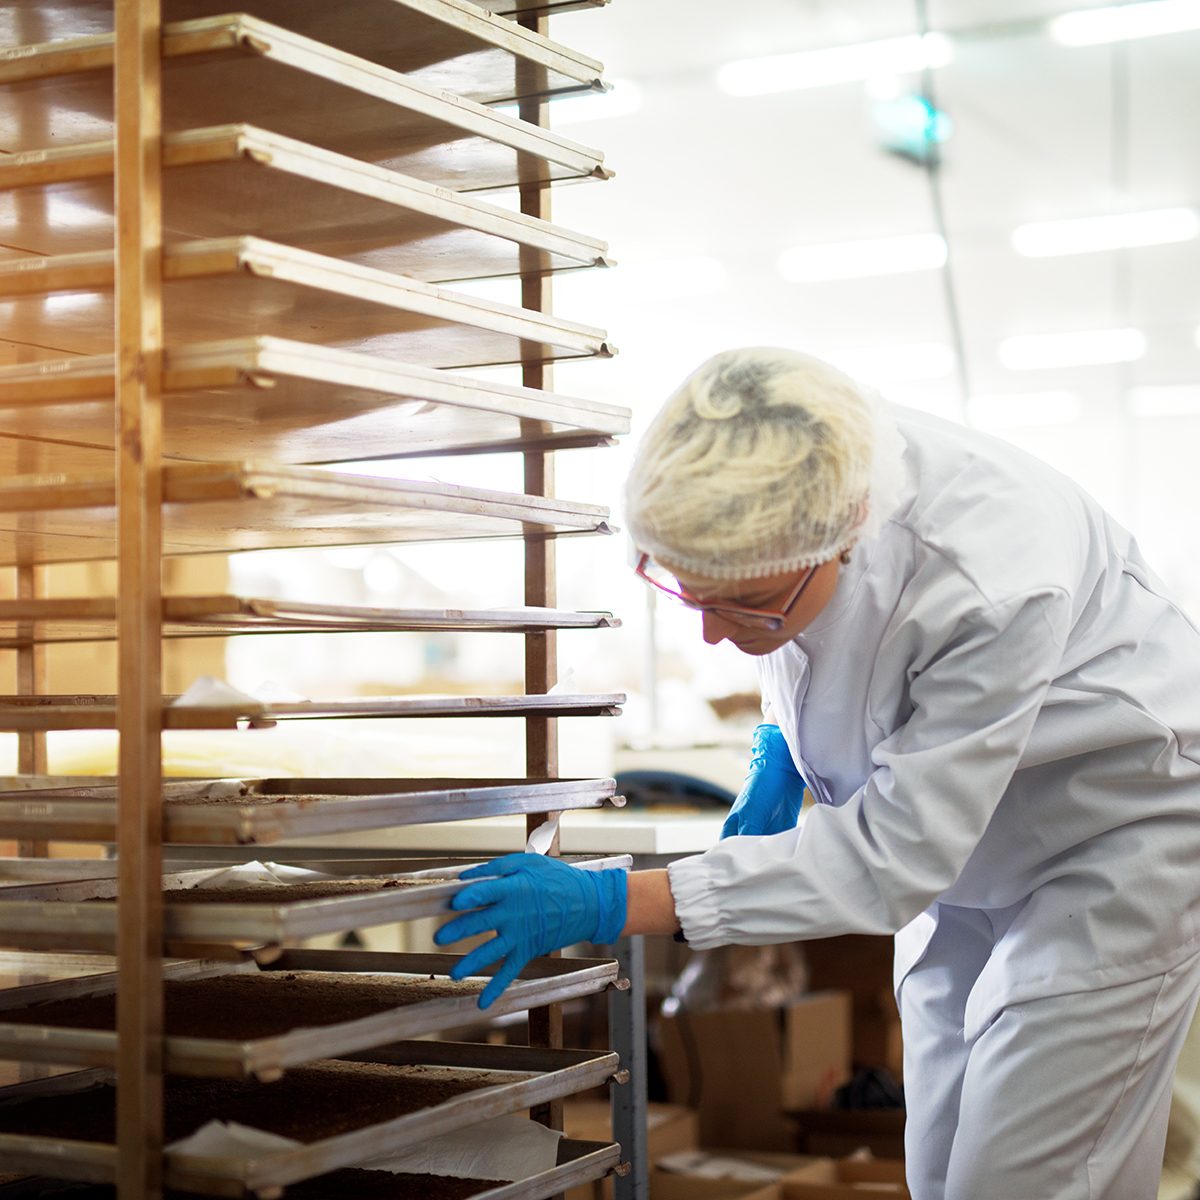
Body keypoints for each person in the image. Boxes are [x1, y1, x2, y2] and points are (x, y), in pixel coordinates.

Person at [435, 347, 1200, 1200]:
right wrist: (782, 752)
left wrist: (616, 900)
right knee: (944, 1163)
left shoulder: (991, 577)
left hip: (1113, 834)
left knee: (1029, 1174)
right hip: (972, 846)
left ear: (843, 536)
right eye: (692, 597)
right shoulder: (793, 478)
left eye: (744, 609)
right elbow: (822, 645)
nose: (714, 638)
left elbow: (891, 858)